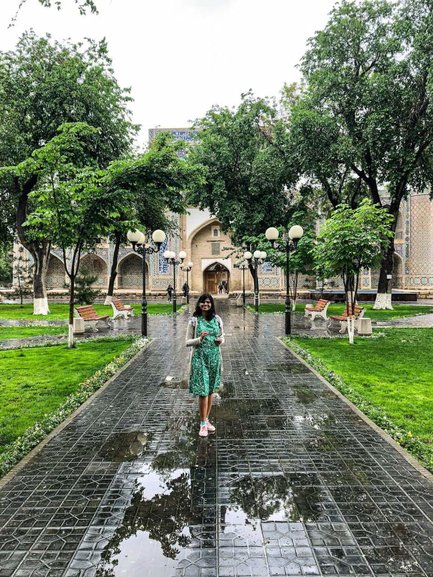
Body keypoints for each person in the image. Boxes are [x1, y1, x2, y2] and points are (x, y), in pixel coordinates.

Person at [185, 293, 224, 437]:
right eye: (203, 302)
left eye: (208, 302)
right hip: (199, 358)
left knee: (211, 390)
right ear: (199, 304)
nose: (205, 305)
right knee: (203, 390)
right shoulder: (194, 321)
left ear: (211, 304)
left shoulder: (217, 319)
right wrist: (199, 339)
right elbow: (187, 342)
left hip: (214, 358)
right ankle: (202, 423)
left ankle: (206, 420)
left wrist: (221, 340)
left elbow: (222, 336)